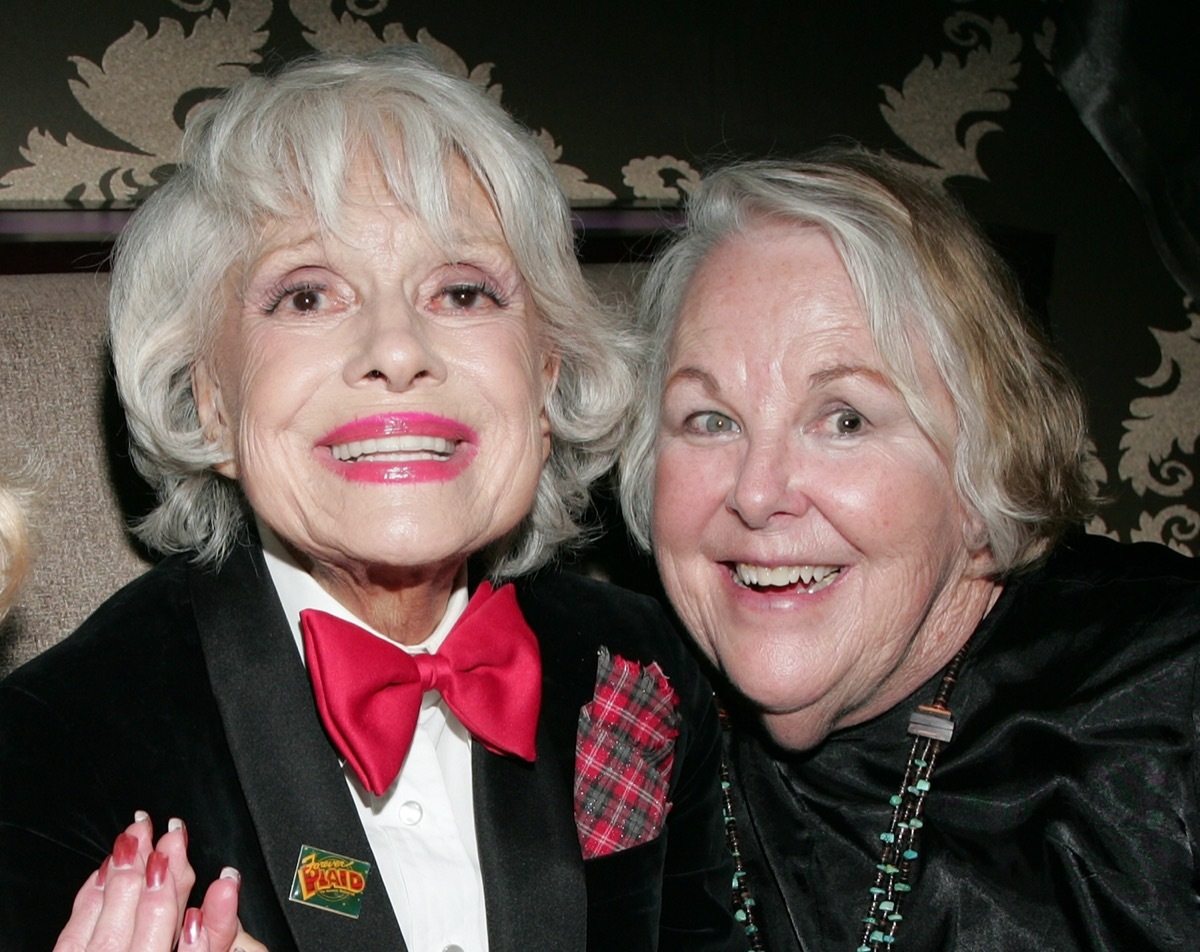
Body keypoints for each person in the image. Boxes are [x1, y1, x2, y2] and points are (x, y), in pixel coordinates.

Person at [0, 49, 744, 952]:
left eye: (462, 291)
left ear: (546, 377)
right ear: (212, 399)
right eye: (307, 296)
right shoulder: (53, 741)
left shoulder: (644, 664)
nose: (396, 348)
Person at [619, 148, 1200, 950]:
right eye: (709, 420)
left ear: (982, 462)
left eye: (844, 419)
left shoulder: (1170, 697)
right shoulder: (614, 732)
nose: (755, 493)